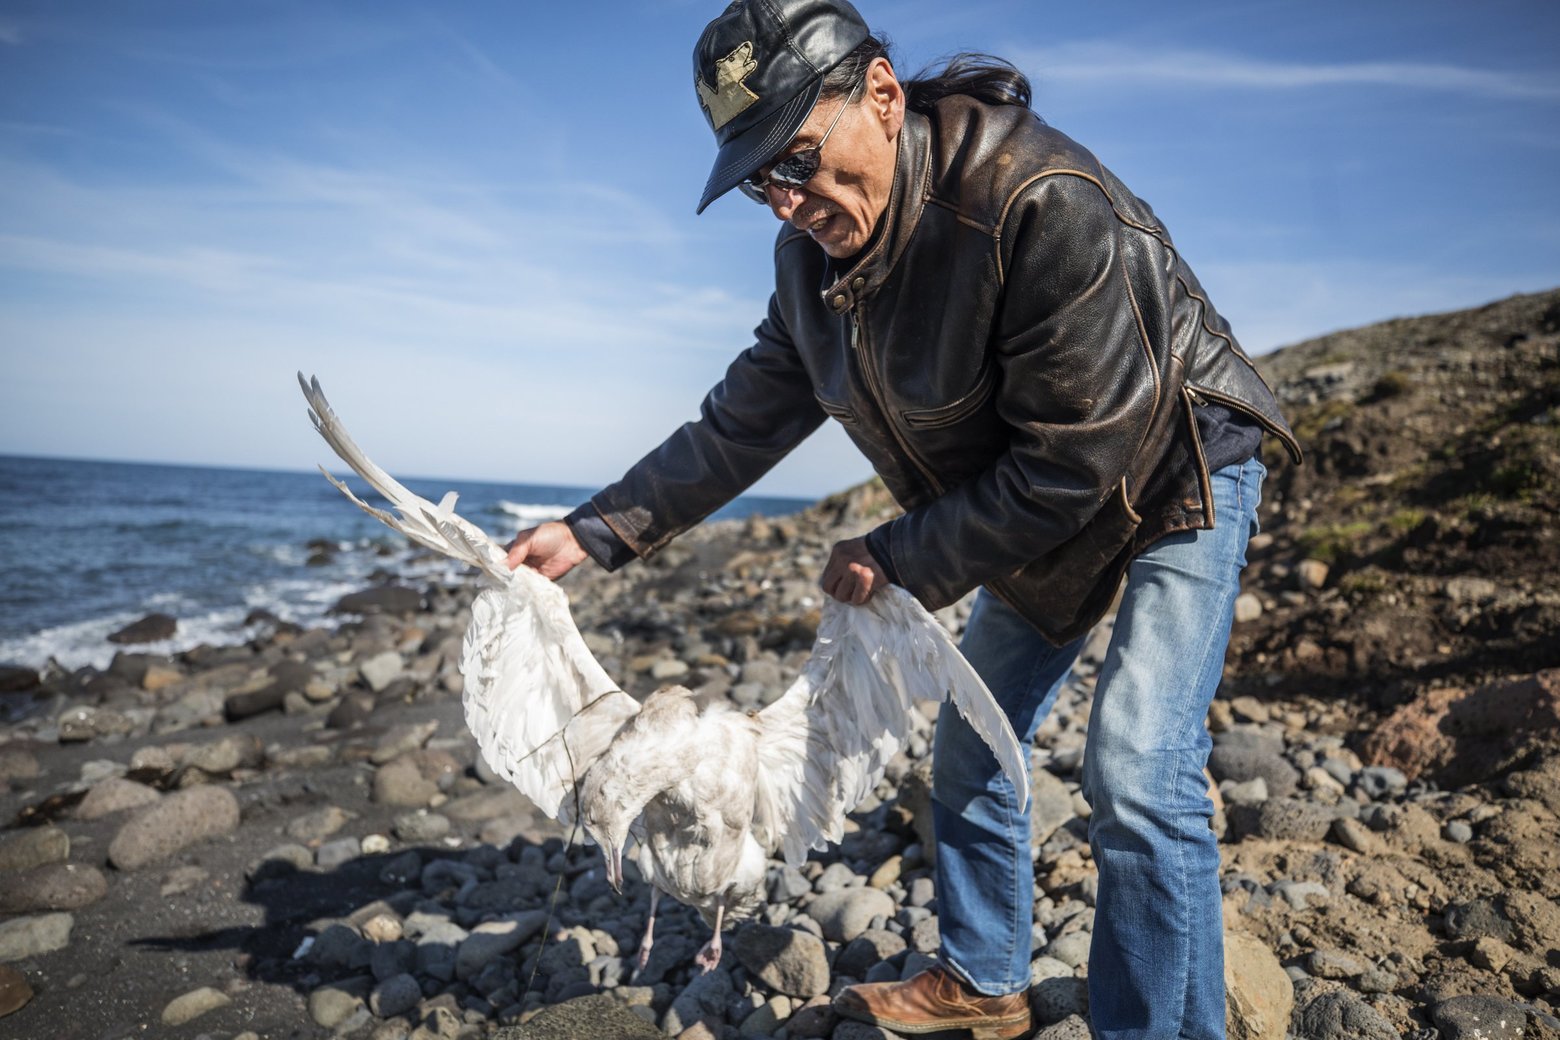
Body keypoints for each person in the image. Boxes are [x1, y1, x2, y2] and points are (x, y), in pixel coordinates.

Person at [506, 1, 1302, 1037]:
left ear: (882, 95)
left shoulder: (1040, 198)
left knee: (1138, 765)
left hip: (1175, 465)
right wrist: (597, 530)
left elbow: (1082, 456)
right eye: (763, 178)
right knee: (973, 746)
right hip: (1032, 493)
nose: (791, 201)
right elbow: (742, 420)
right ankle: (986, 981)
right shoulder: (812, 269)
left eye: (800, 154)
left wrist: (896, 553)